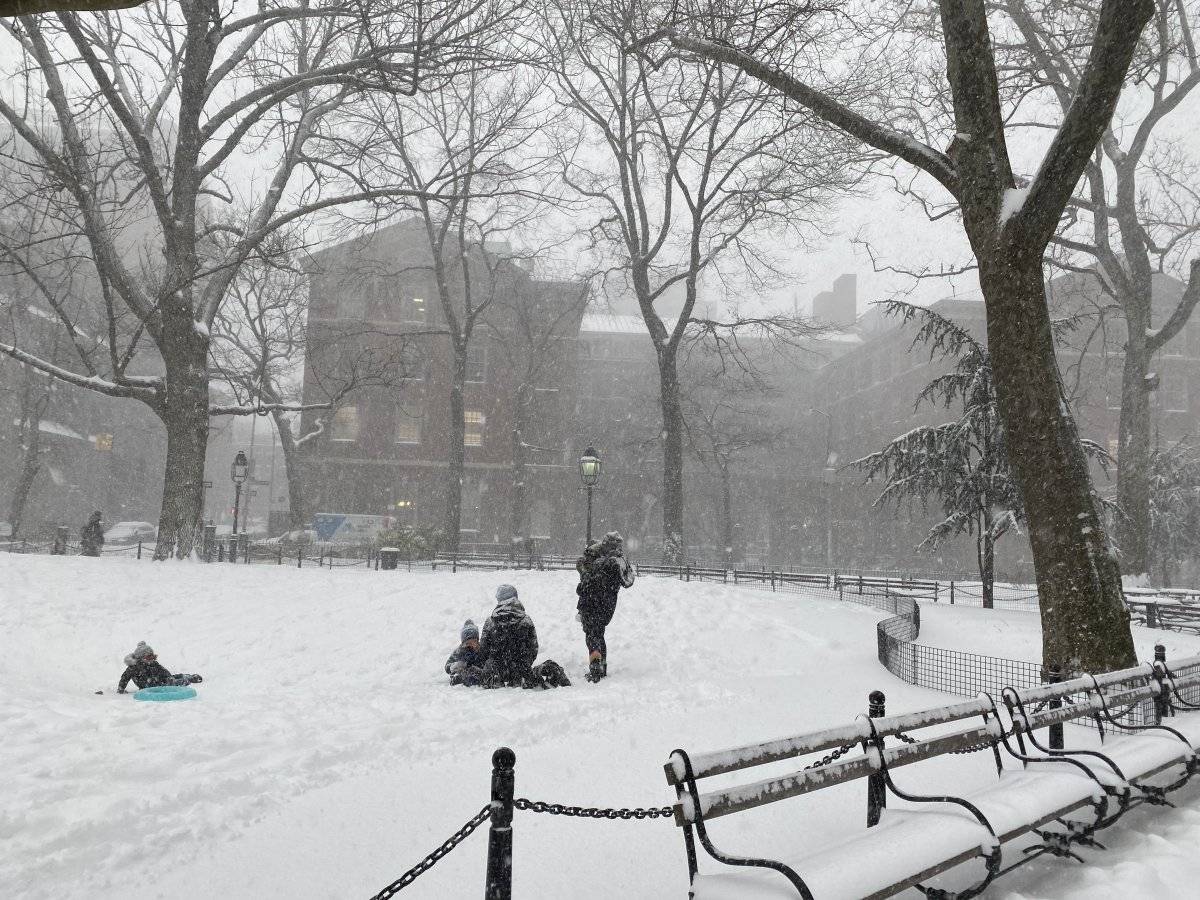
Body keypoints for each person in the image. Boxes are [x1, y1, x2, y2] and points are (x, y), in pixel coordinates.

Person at [478, 584, 570, 689]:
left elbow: (483, 650)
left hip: (496, 673)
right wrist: (523, 663)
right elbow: (533, 648)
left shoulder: (490, 622)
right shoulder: (526, 620)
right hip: (521, 671)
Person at [575, 531, 635, 682]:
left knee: (592, 637)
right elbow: (628, 580)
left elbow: (588, 583)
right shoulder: (620, 560)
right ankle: (602, 666)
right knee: (599, 634)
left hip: (592, 603)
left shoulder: (602, 562)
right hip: (608, 605)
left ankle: (596, 669)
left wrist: (583, 586)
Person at [117, 642, 203, 694]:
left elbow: (163, 671)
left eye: (153, 657)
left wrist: (169, 677)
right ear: (141, 658)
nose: (152, 659)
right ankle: (189, 680)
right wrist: (121, 688)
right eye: (149, 657)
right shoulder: (134, 667)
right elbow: (125, 677)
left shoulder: (153, 663)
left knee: (171, 678)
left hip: (157, 680)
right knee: (171, 684)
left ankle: (187, 676)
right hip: (149, 686)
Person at [445, 619, 485, 686]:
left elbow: (487, 661)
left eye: (474, 641)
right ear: (463, 642)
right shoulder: (459, 651)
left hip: (478, 672)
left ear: (477, 640)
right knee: (460, 675)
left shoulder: (482, 649)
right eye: (468, 642)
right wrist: (455, 665)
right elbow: (447, 667)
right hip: (464, 673)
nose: (471, 644)